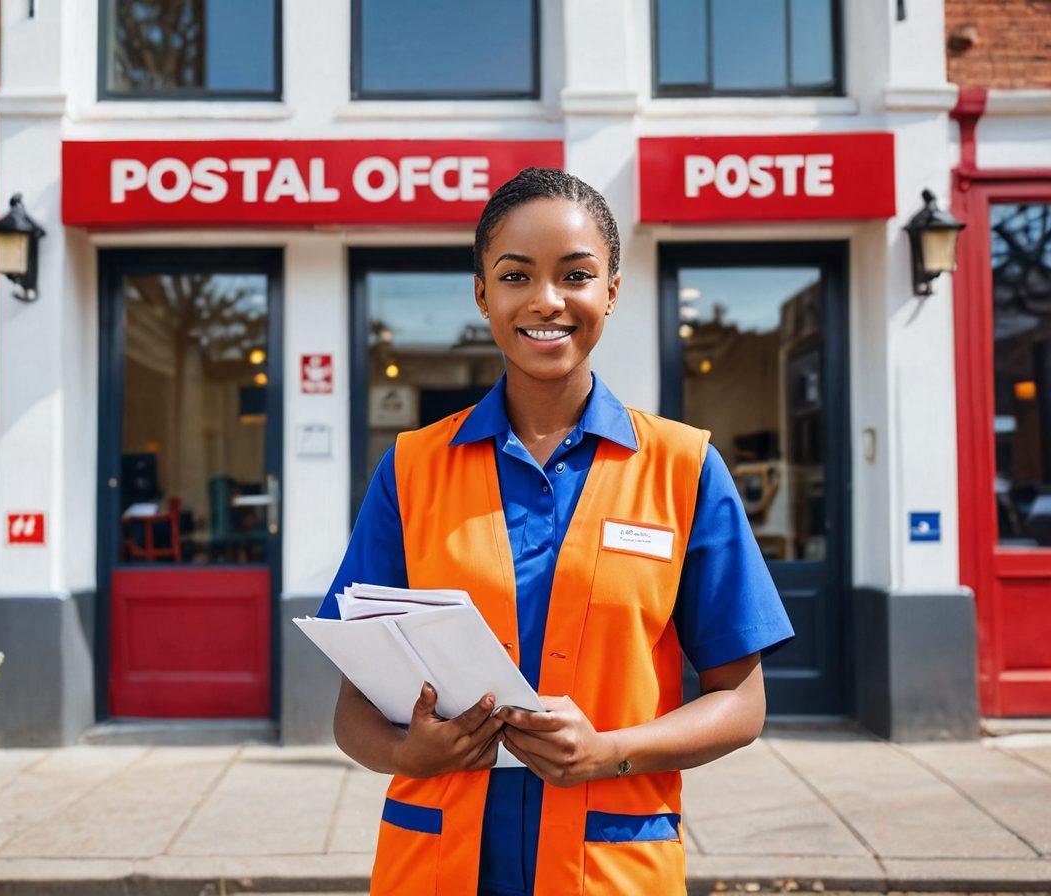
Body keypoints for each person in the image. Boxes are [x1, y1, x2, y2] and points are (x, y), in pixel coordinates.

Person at [315, 167, 795, 895]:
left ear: (611, 290)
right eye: (516, 276)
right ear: (483, 293)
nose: (547, 301)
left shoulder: (683, 467)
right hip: (438, 868)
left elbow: (741, 702)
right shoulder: (411, 469)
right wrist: (412, 753)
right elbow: (353, 714)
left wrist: (611, 751)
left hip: (609, 868)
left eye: (575, 275)